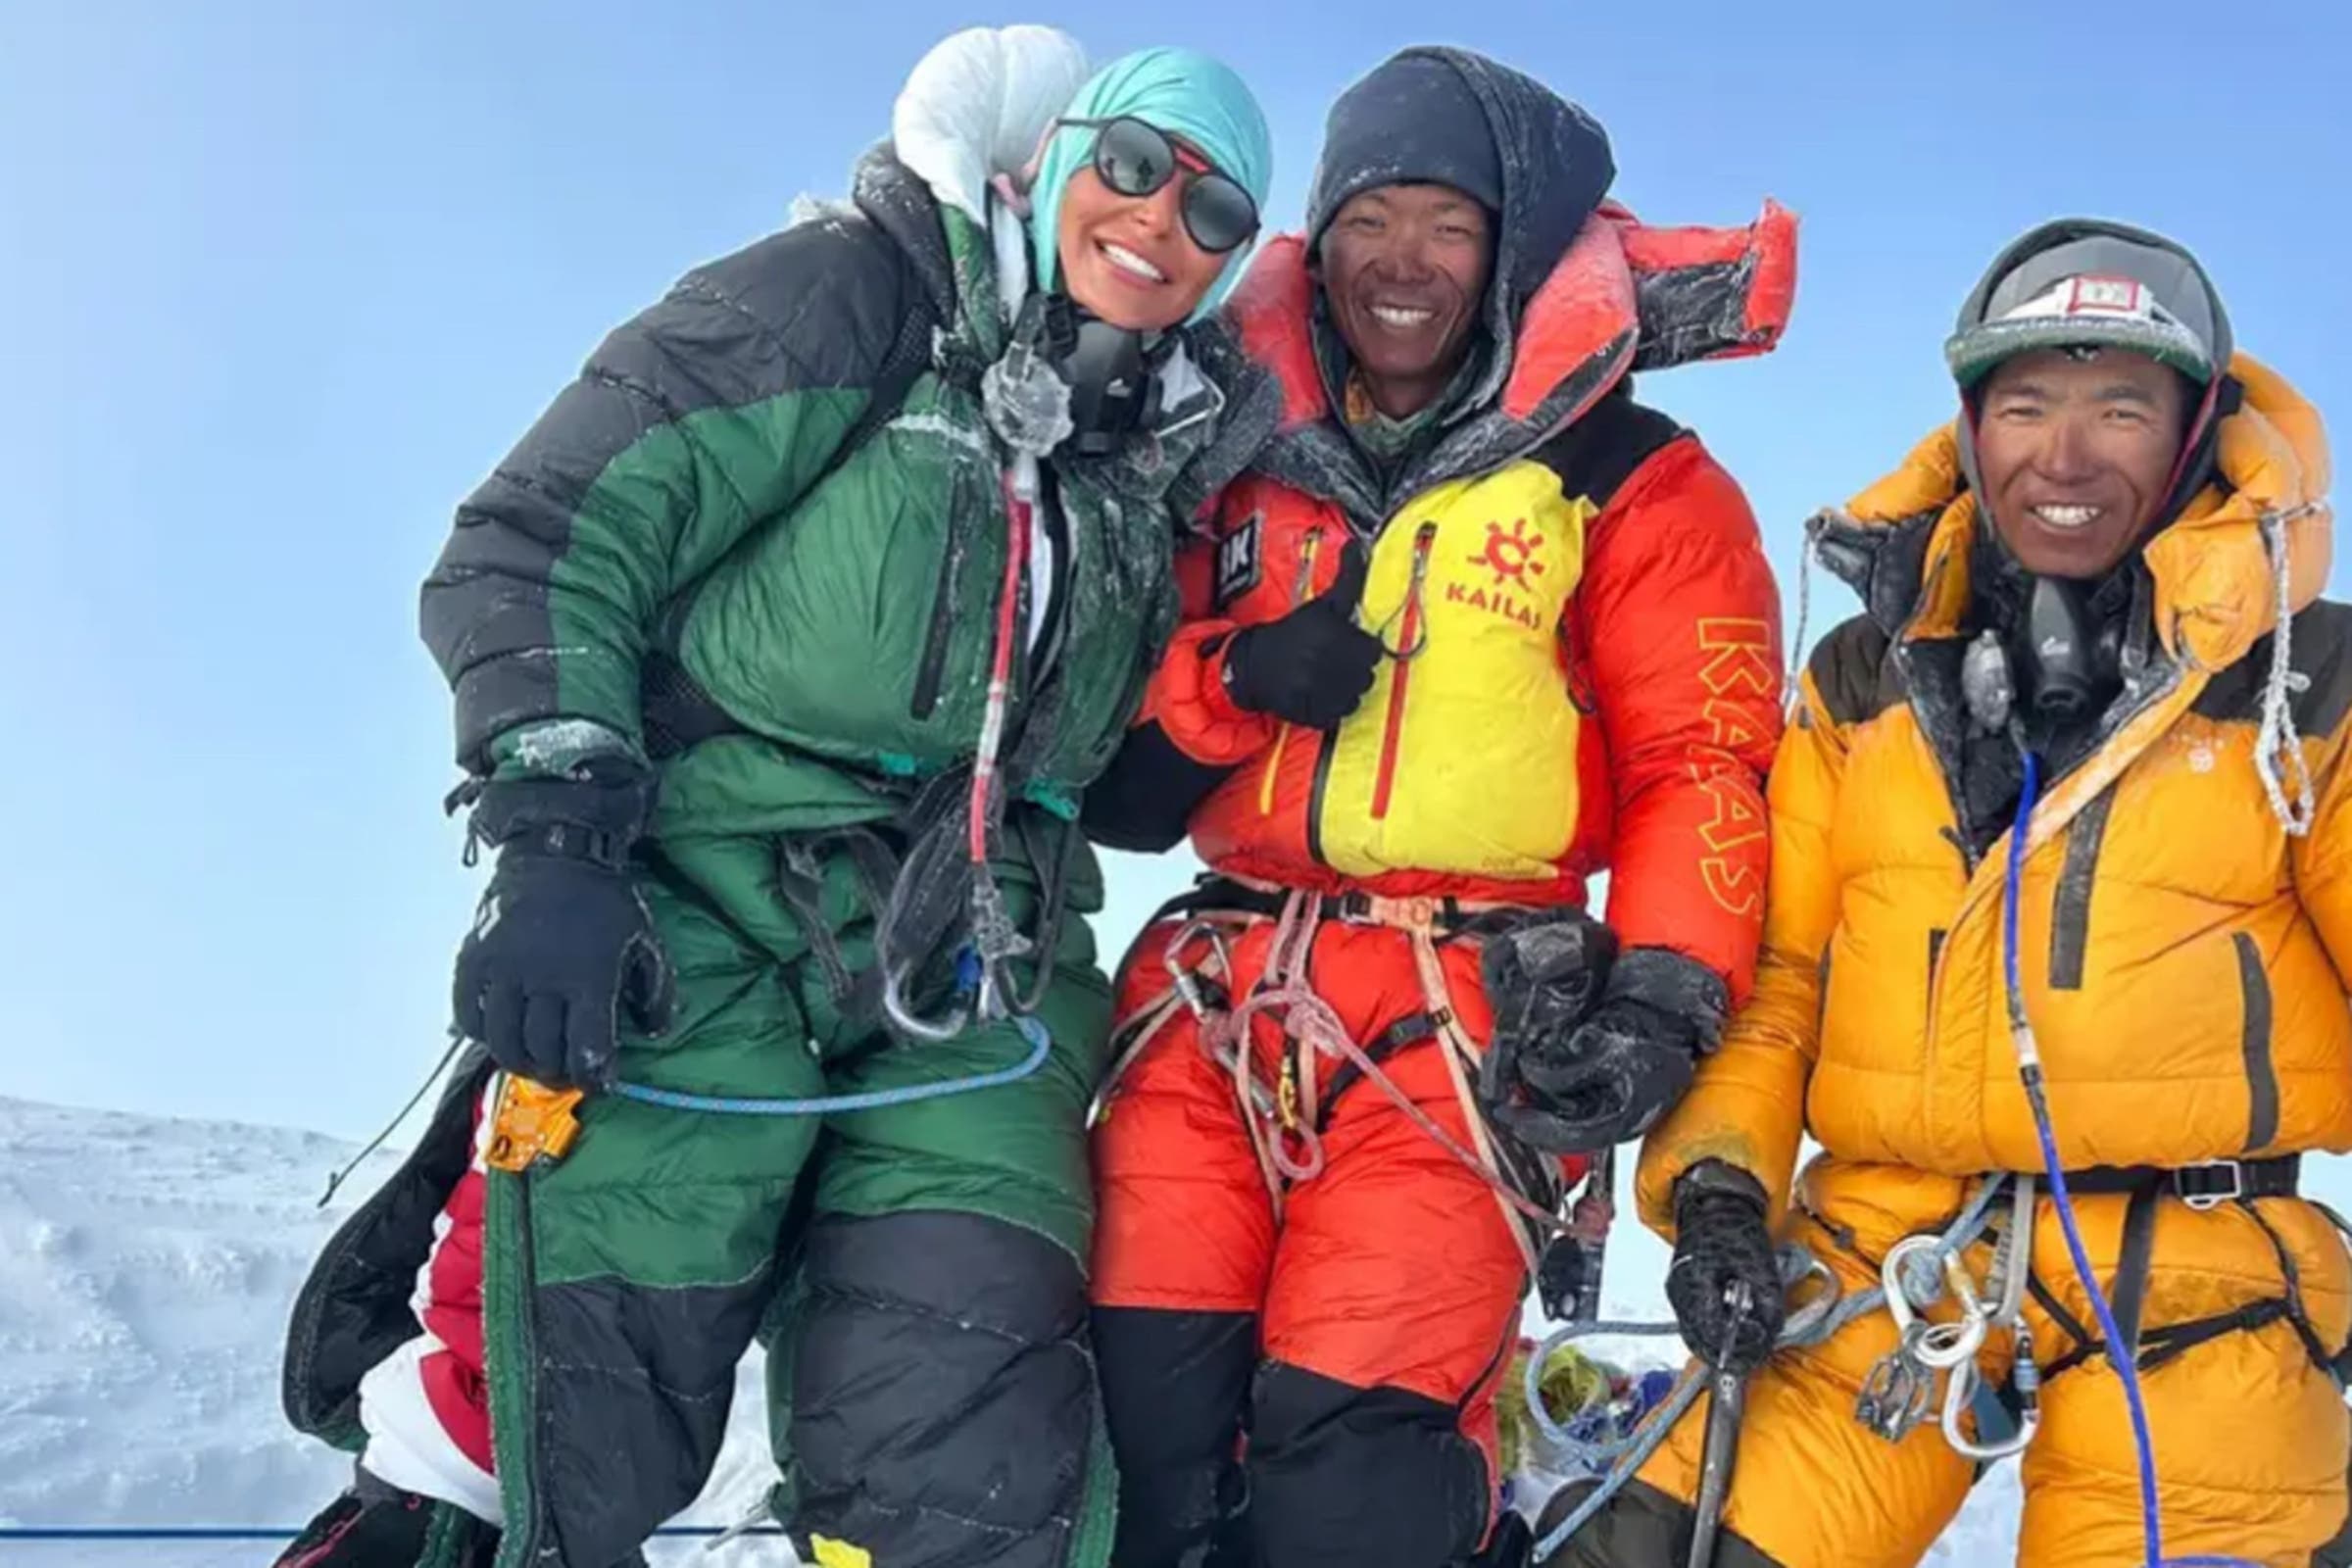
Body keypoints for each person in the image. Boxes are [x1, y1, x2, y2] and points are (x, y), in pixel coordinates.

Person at [270, 26, 1273, 1568]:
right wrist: (552, 838)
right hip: (701, 914)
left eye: (1215, 214)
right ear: (1058, 158)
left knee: (965, 1460)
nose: (1159, 220)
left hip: (974, 988)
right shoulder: (855, 297)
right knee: (553, 1418)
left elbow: (1115, 789)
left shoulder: (1156, 461)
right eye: (1136, 167)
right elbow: (542, 539)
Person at [1076, 45, 1794, 1568]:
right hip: (1211, 1010)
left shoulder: (1640, 483)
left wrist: (1664, 995)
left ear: (1515, 251)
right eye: (1369, 219)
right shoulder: (1221, 452)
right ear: (1316, 241)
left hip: (1460, 1025)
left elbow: (1700, 768)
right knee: (1143, 1431)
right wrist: (1235, 680)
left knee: (1351, 1467)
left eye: (1449, 227)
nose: (1402, 262)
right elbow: (1118, 776)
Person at [1549, 219, 2352, 1566]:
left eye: (2121, 408)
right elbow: (1785, 974)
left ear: (2199, 429)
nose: (2067, 454)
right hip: (1892, 1252)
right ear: (1974, 430)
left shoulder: (2306, 684)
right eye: (2027, 406)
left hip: (2206, 1274)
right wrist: (1721, 1194)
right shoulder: (1861, 681)